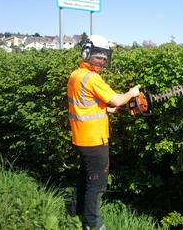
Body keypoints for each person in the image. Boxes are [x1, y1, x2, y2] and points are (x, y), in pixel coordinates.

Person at [67, 35, 140, 230]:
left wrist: (107, 110)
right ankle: (93, 224)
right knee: (97, 184)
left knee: (85, 177)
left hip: (81, 137)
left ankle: (75, 211)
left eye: (105, 57)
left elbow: (84, 106)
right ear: (87, 53)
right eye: (98, 56)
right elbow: (116, 99)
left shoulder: (76, 75)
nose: (102, 61)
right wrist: (132, 93)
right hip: (94, 141)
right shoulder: (92, 78)